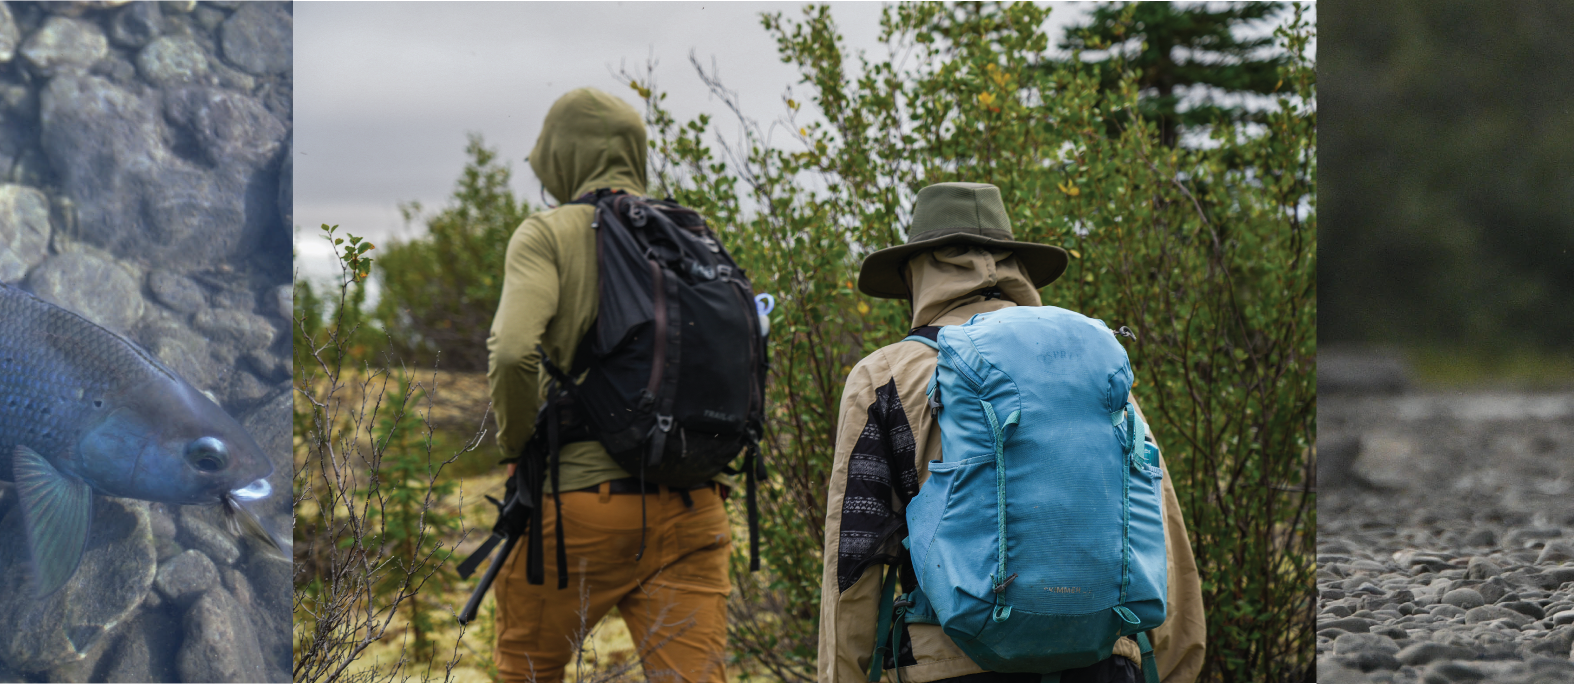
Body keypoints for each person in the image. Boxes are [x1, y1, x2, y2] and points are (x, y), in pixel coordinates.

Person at [816, 183, 1208, 683]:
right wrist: (1175, 669)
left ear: (915, 274)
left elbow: (854, 562)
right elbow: (1162, 526)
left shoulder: (885, 376)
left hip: (952, 665)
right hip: (1103, 661)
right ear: (1013, 265)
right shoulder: (1095, 365)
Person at [480, 87, 736, 683]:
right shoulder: (692, 232)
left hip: (579, 514)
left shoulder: (548, 234)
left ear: (561, 155)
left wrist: (519, 451)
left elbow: (513, 351)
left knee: (525, 670)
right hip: (697, 508)